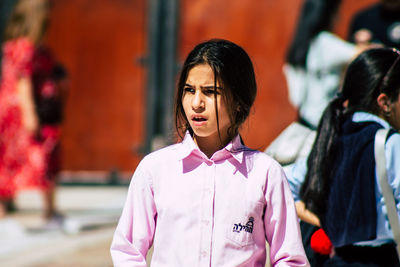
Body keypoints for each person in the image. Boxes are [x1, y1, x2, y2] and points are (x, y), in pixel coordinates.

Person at [110, 39, 309, 267]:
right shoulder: (154, 169)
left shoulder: (265, 173)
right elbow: (127, 252)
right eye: (189, 90)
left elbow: (290, 259)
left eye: (210, 91)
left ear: (238, 101)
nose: (196, 103)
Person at [287, 47, 400, 266]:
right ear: (385, 102)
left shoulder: (330, 140)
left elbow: (281, 183)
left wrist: (325, 222)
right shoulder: (391, 143)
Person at [0, 0, 67, 226]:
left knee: (7, 159)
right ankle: (49, 210)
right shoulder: (26, 48)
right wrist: (30, 114)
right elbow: (23, 82)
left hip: (11, 112)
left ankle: (6, 208)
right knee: (43, 154)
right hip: (23, 112)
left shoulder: (17, 45)